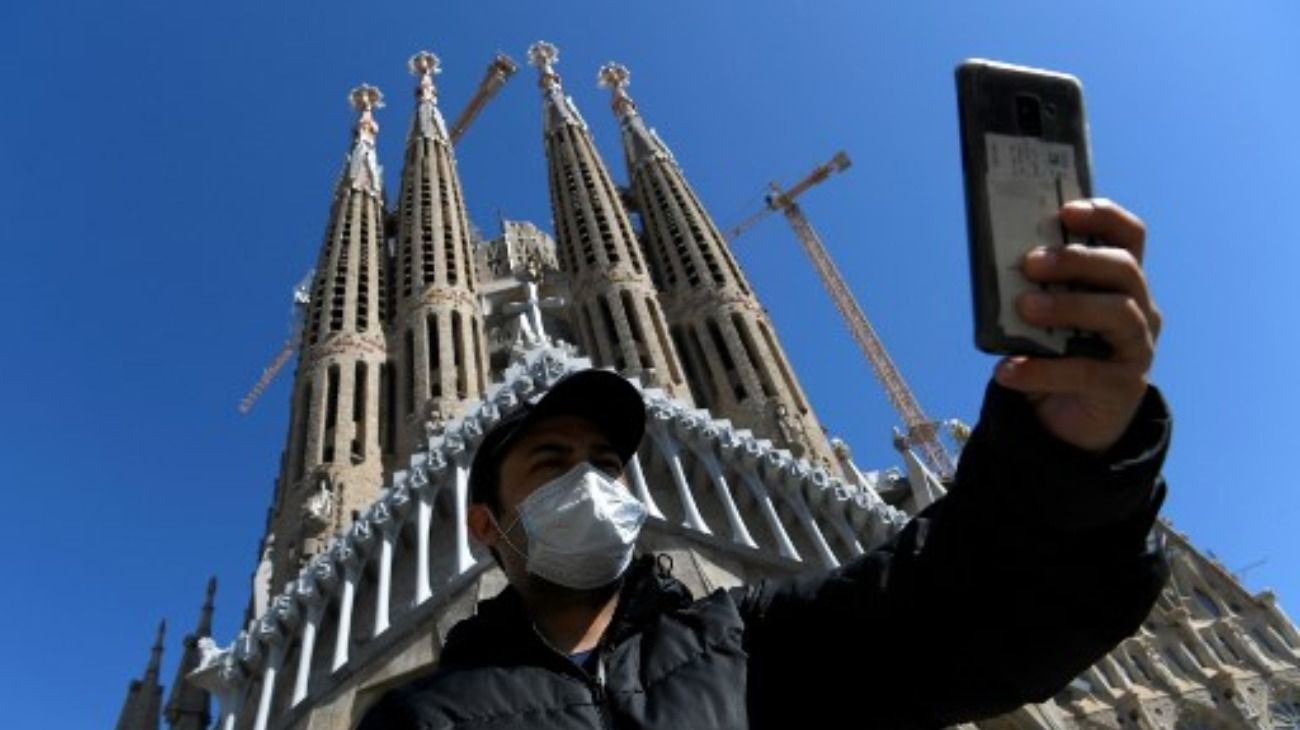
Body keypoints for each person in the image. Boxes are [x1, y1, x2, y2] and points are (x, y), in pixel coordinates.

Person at [358, 199, 1170, 729]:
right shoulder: (427, 717)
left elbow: (962, 605)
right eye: (551, 462)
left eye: (607, 462)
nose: (589, 482)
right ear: (485, 525)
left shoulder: (748, 641)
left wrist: (1073, 453)